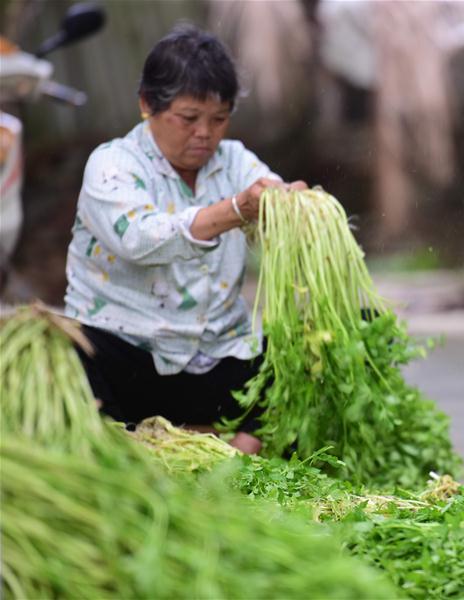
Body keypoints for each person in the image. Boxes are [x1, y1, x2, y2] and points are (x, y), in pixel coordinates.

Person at [65, 25, 307, 454]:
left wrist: (293, 209)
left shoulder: (234, 161)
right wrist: (234, 211)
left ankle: (245, 454)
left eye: (219, 119)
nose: (205, 134)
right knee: (67, 351)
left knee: (321, 336)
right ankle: (127, 444)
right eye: (189, 118)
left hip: (214, 358)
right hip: (131, 357)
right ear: (147, 106)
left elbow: (267, 193)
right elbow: (141, 237)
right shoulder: (112, 165)